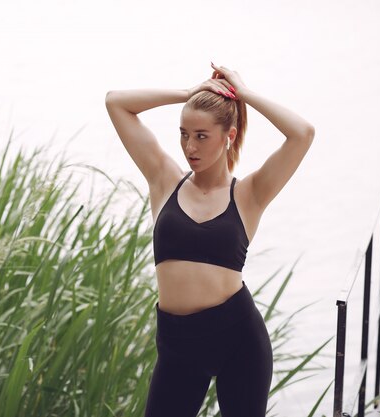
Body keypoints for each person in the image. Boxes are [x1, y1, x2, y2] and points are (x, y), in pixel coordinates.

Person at [104, 62, 315, 417]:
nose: (190, 146)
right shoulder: (164, 179)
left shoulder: (250, 194)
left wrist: (243, 93)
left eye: (202, 135)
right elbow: (116, 103)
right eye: (184, 133)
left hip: (239, 340)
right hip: (177, 345)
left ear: (228, 136)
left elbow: (302, 133)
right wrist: (188, 94)